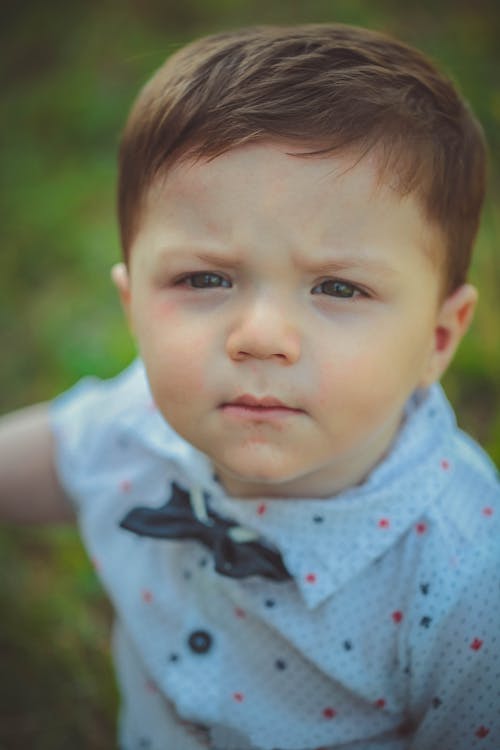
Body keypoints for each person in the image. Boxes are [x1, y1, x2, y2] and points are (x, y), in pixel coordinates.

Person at [0, 23, 498, 750]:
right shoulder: (136, 423)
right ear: (132, 304)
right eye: (205, 278)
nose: (261, 334)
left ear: (438, 339)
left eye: (338, 287)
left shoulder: (468, 581)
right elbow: (50, 460)